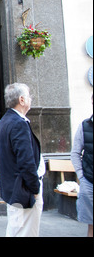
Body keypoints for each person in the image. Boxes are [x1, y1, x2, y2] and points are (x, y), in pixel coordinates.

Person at [0, 83, 45, 237]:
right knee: (25, 232)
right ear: (22, 100)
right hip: (23, 191)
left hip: (13, 190)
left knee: (16, 231)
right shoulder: (18, 124)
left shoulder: (5, 121)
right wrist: (35, 189)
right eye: (29, 96)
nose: (31, 99)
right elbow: (26, 162)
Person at [70, 95, 93, 237]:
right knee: (91, 225)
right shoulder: (84, 126)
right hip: (90, 182)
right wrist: (81, 176)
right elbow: (75, 153)